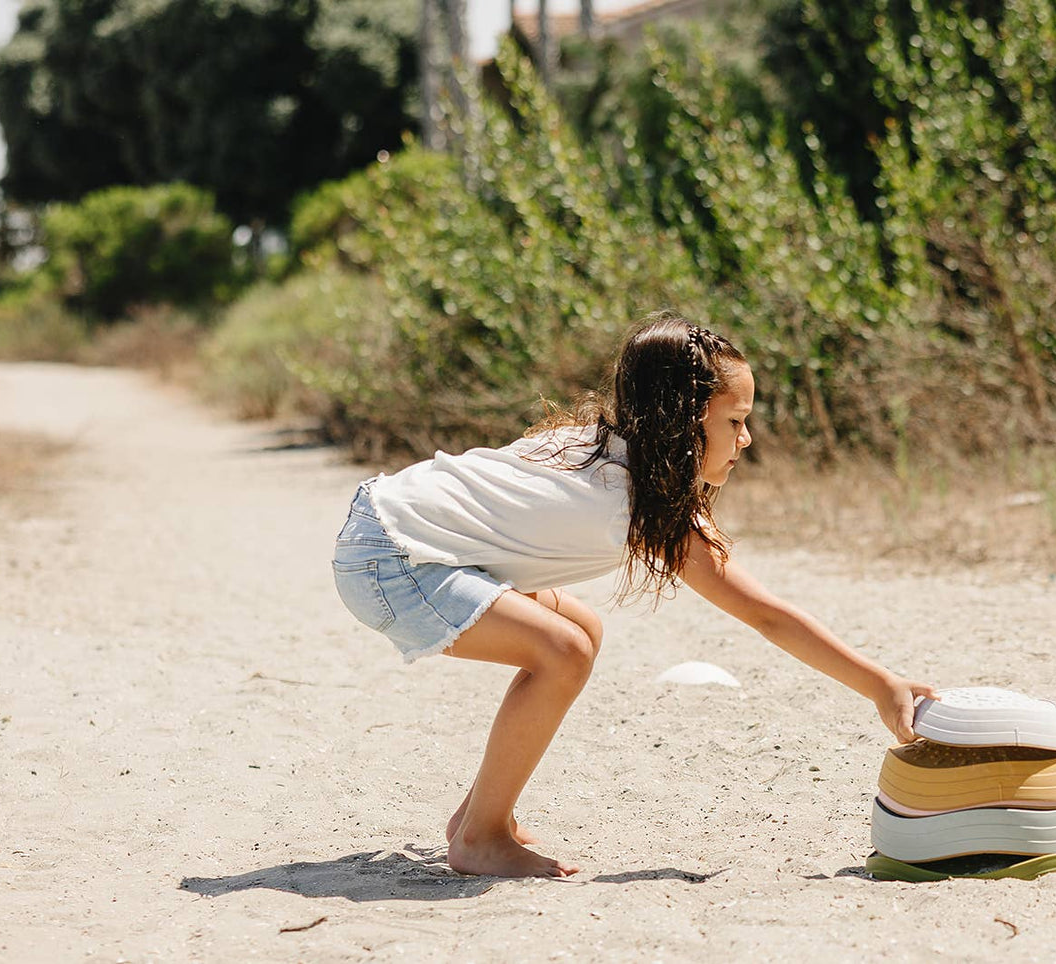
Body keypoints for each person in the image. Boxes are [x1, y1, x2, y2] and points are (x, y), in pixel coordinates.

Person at [331, 311, 937, 878]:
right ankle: (480, 838)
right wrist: (880, 685)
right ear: (683, 418)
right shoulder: (644, 502)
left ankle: (479, 815)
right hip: (392, 558)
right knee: (562, 653)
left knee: (582, 632)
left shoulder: (597, 445)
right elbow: (766, 616)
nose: (746, 439)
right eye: (734, 421)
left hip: (386, 526)